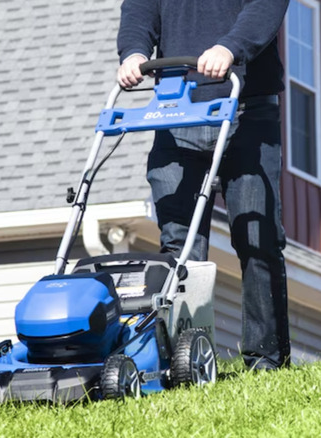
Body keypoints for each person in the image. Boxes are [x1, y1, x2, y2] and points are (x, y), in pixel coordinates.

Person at [116, 0, 291, 370]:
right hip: (178, 109)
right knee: (179, 247)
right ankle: (187, 362)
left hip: (246, 109)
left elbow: (266, 7)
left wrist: (229, 47)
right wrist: (133, 52)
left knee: (257, 238)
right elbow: (139, 10)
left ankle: (266, 360)